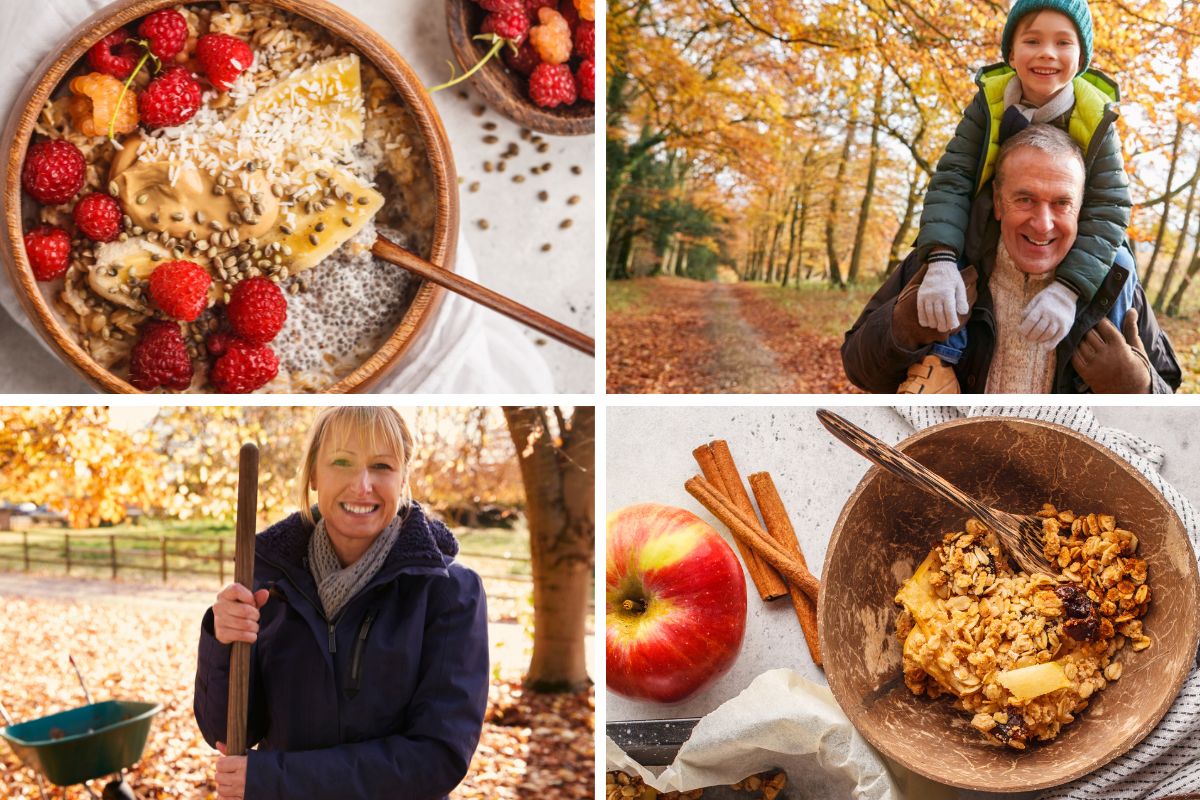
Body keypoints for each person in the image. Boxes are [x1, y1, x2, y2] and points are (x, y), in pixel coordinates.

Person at [193, 407, 489, 800]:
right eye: (342, 462)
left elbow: (437, 757)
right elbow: (227, 735)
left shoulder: (449, 592)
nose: (362, 485)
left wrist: (278, 779)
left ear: (403, 477)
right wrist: (222, 640)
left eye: (381, 465)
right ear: (314, 473)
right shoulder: (268, 581)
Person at [841, 124, 1180, 394]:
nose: (1043, 223)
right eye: (1025, 199)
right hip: (951, 461)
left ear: (1080, 210)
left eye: (1061, 203)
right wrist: (904, 327)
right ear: (998, 204)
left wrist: (1137, 387)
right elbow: (858, 369)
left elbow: (1169, 396)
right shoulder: (943, 264)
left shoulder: (1114, 281)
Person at [905, 0, 1132, 392]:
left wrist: (1068, 289)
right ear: (1011, 52)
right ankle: (943, 360)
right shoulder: (990, 103)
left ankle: (1103, 355)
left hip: (1070, 234)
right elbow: (953, 177)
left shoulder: (1098, 117)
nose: (1047, 53)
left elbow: (1110, 208)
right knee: (952, 244)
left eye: (1063, 43)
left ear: (1081, 58)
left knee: (1121, 261)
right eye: (1032, 40)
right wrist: (941, 258)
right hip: (993, 216)